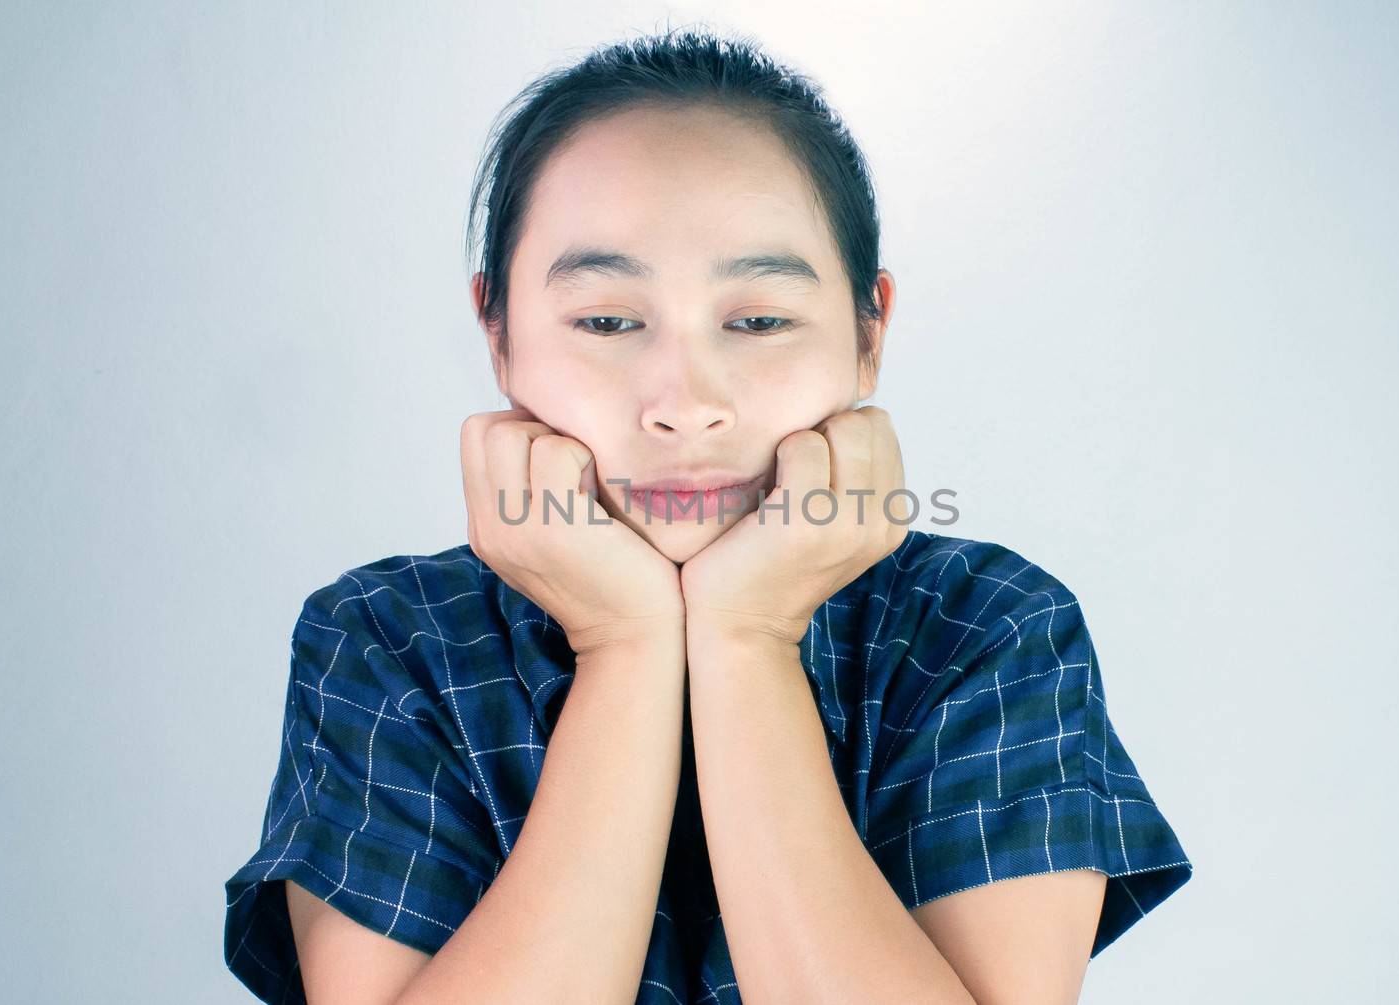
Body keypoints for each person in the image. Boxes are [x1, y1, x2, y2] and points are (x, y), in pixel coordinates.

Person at [222, 26, 1192, 1004]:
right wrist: (624, 645)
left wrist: (746, 637)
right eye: (606, 321)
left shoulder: (985, 627)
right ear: (498, 333)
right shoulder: (389, 643)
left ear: (868, 333)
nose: (684, 402)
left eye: (759, 320)